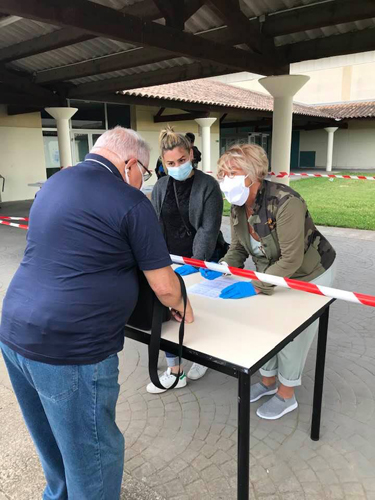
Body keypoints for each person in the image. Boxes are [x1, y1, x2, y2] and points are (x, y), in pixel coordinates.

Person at [0, 126, 194, 500]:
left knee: (54, 446)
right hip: (71, 349)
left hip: (14, 332)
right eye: (145, 174)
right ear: (130, 164)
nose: (143, 182)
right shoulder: (131, 202)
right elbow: (166, 287)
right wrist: (183, 307)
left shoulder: (55, 183)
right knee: (92, 457)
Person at [201, 143, 336, 420]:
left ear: (253, 174)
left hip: (310, 273)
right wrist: (224, 266)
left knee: (291, 332)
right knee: (266, 326)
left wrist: (255, 285)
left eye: (232, 172)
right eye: (222, 174)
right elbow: (239, 247)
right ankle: (267, 381)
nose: (225, 180)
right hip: (271, 272)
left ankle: (287, 395)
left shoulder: (287, 202)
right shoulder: (238, 206)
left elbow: (291, 260)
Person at [146, 126, 226, 394]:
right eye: (170, 163)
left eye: (182, 160)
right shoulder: (160, 186)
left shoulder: (208, 186)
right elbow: (155, 224)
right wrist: (157, 262)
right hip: (169, 260)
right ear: (163, 163)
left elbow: (208, 228)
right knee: (168, 314)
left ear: (191, 154)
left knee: (198, 314)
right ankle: (175, 371)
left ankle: (204, 357)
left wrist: (195, 263)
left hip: (201, 259)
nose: (177, 166)